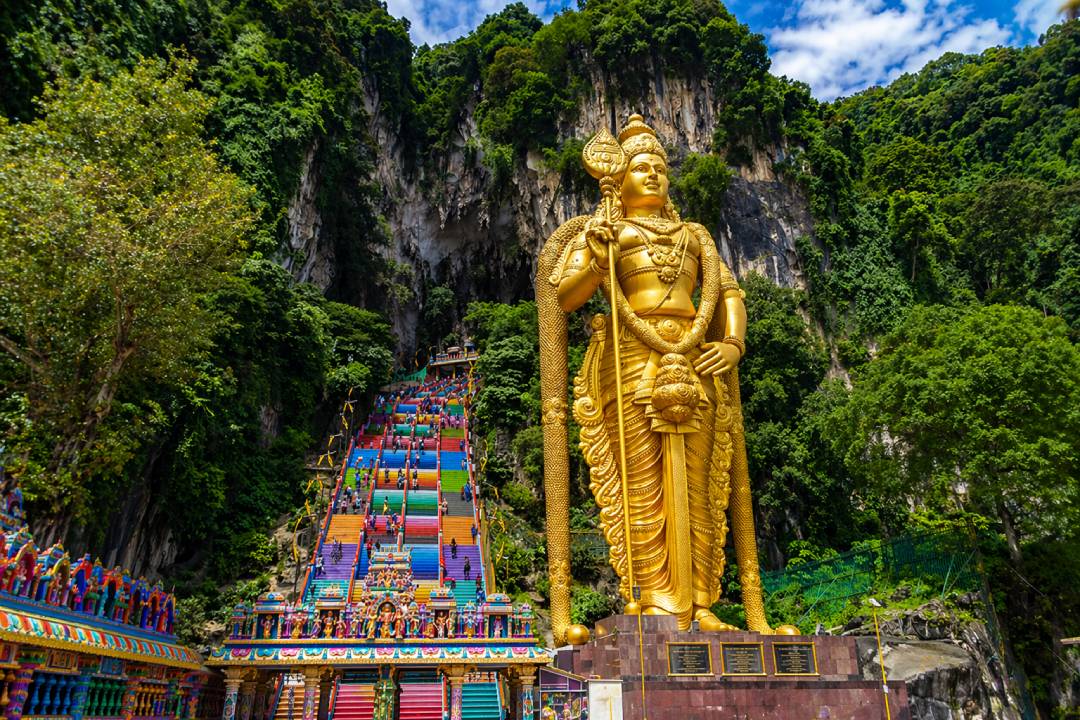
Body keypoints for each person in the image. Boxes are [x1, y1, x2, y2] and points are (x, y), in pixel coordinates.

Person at [537, 114, 776, 636]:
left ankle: (703, 603)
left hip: (695, 361)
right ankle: (650, 599)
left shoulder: (696, 236)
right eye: (640, 167)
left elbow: (728, 293)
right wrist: (598, 259)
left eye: (660, 168)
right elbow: (564, 296)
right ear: (619, 178)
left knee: (700, 482)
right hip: (630, 358)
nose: (652, 176)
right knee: (640, 483)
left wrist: (733, 343)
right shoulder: (609, 229)